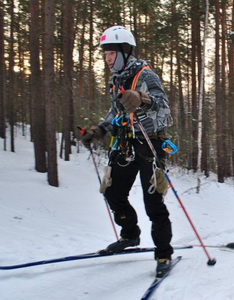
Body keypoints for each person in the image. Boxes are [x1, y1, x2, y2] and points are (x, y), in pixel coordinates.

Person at [80, 26, 173, 278]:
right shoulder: (115, 80)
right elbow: (116, 113)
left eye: (111, 53)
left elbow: (165, 108)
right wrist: (99, 130)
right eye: (105, 54)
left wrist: (142, 98)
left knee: (153, 201)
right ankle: (130, 234)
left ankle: (163, 252)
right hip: (125, 142)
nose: (107, 59)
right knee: (112, 192)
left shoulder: (146, 74)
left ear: (124, 51)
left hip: (150, 143)